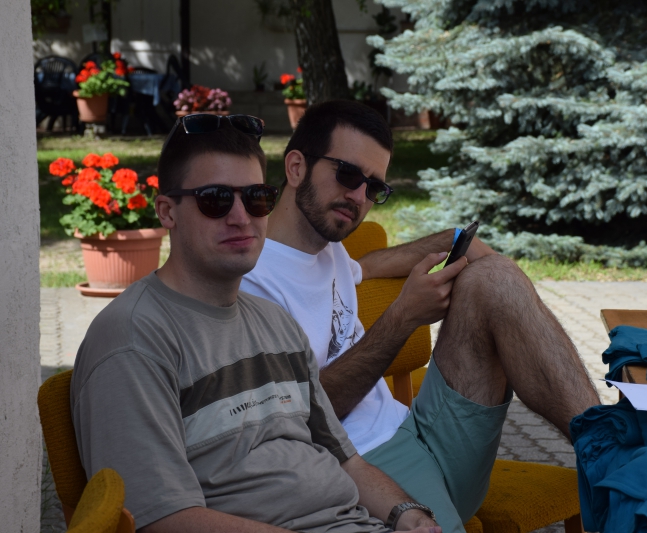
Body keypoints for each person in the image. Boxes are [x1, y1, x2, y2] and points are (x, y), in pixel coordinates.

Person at [70, 114, 444, 533]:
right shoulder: (133, 340)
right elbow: (160, 518)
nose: (241, 217)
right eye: (215, 199)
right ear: (167, 212)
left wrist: (408, 515)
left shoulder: (275, 323)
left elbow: (348, 461)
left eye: (256, 198)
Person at [240, 101, 602, 533]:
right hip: (362, 465)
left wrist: (451, 240)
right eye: (348, 175)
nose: (359, 197)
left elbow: (366, 265)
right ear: (296, 167)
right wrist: (404, 315)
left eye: (374, 187)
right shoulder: (250, 281)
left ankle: (608, 450)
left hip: (418, 431)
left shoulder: (327, 247)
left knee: (495, 277)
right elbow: (305, 416)